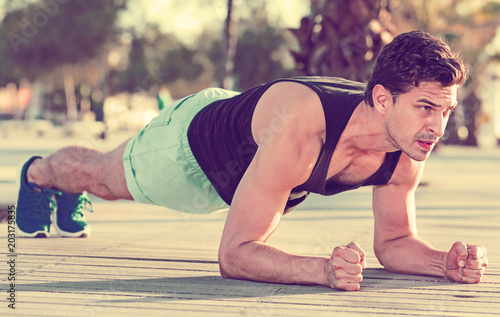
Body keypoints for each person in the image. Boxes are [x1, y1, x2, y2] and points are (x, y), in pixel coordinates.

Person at [16, 30, 488, 291]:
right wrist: (322, 270)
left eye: (445, 111)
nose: (437, 127)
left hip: (252, 141)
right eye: (426, 108)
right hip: (190, 152)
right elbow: (235, 254)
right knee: (102, 177)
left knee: (102, 176)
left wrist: (441, 262)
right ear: (383, 99)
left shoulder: (406, 146)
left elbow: (396, 241)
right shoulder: (307, 127)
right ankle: (39, 175)